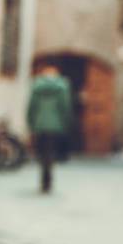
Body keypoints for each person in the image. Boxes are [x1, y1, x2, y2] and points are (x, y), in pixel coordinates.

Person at [27, 64, 73, 193]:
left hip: (40, 124)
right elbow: (65, 107)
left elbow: (32, 106)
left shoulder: (37, 86)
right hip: (55, 125)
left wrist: (31, 122)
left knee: (42, 153)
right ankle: (48, 180)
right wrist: (66, 122)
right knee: (50, 153)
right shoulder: (62, 86)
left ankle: (43, 180)